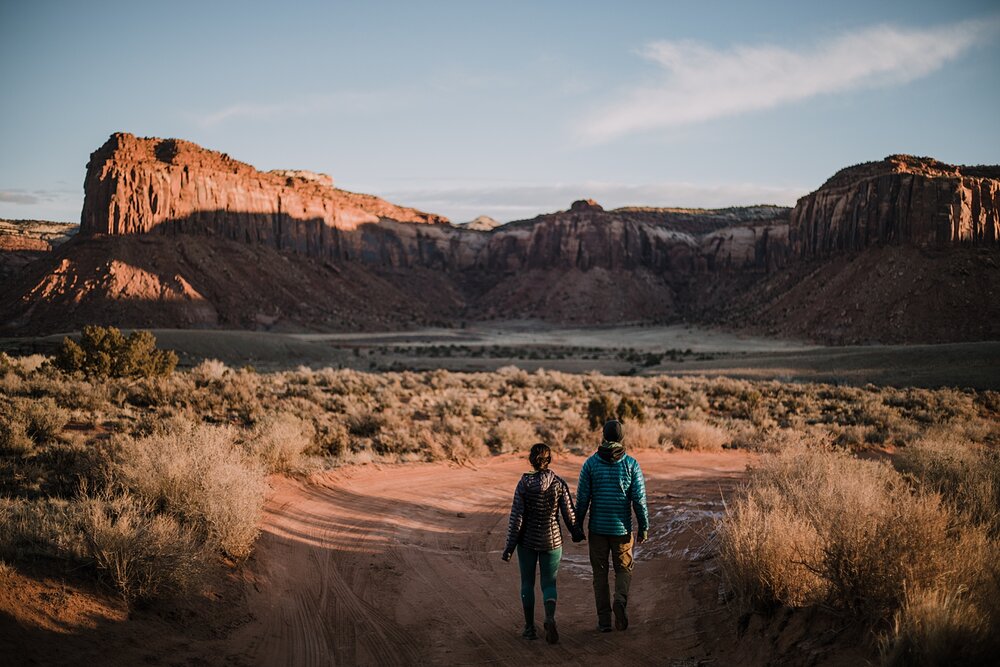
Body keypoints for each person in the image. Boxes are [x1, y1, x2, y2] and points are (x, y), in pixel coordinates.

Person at [501, 443, 582, 643]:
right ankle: (549, 618)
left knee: (527, 583)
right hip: (552, 541)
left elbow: (516, 519)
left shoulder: (523, 484)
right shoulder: (559, 483)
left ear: (531, 460)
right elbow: (569, 515)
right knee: (549, 583)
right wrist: (576, 533)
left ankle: (529, 629)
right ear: (549, 460)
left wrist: (509, 547)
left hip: (527, 542)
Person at [574, 419, 649, 632]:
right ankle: (620, 601)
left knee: (600, 575)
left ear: (603, 436)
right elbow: (639, 500)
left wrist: (577, 526)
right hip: (622, 530)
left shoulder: (590, 464)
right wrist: (643, 526)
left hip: (597, 529)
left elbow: (582, 500)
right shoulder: (632, 464)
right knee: (624, 569)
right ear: (622, 437)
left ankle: (604, 622)